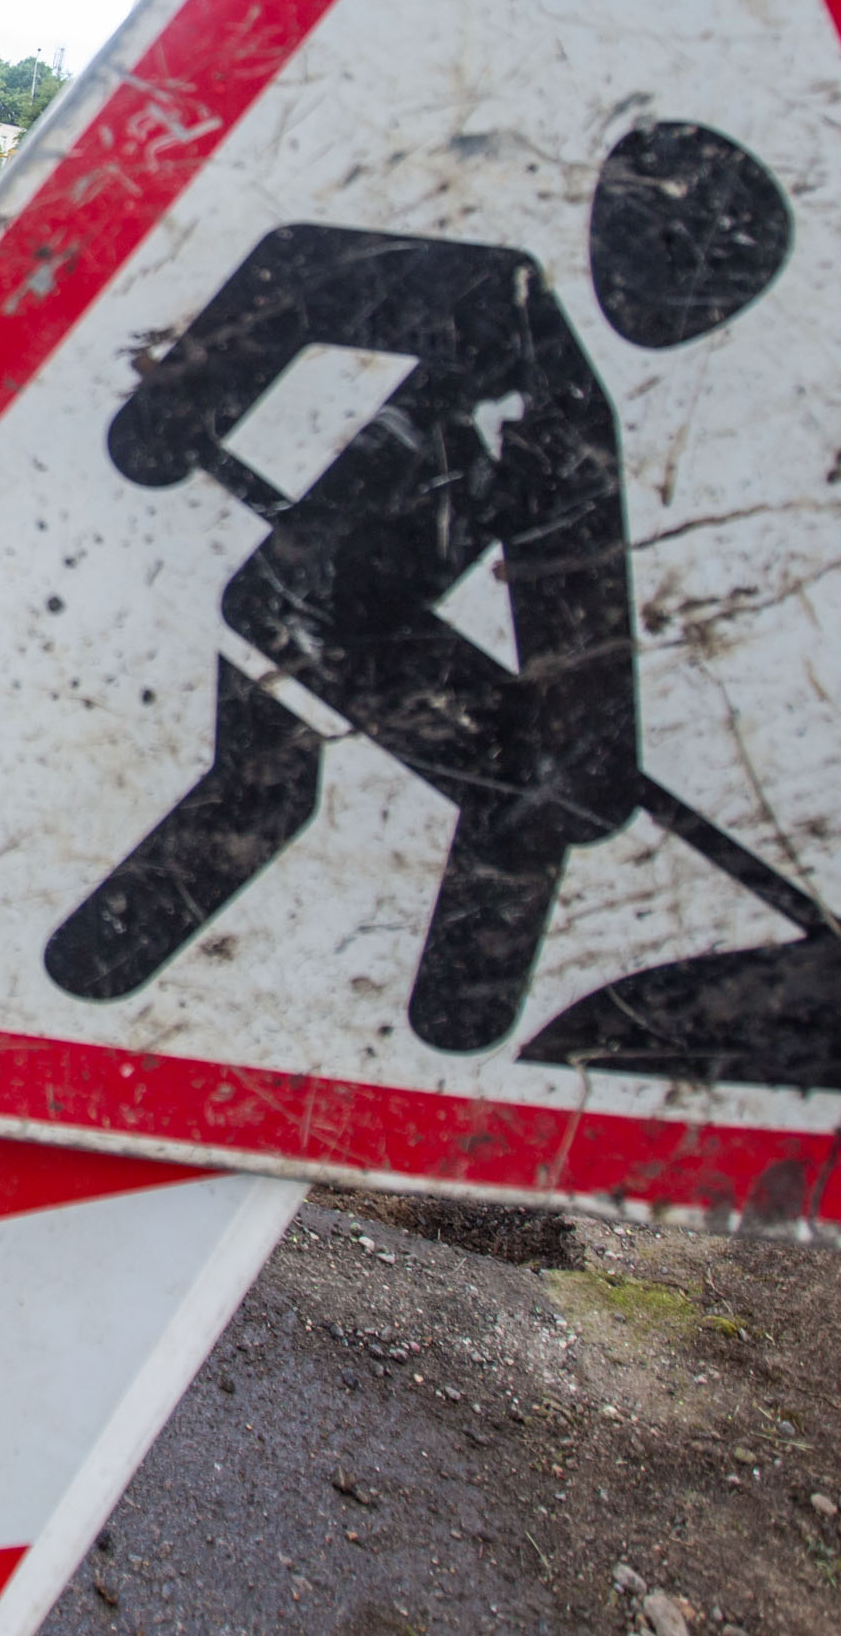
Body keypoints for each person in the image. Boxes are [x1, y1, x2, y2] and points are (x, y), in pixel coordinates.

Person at [49, 121, 794, 1053]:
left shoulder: (577, 423)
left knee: (470, 785)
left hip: (341, 615)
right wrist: (170, 415)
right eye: (695, 264)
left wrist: (588, 768)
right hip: (308, 594)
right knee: (284, 786)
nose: (694, 299)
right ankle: (443, 1019)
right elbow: (299, 273)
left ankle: (456, 1024)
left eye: (717, 278)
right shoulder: (510, 310)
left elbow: (577, 629)